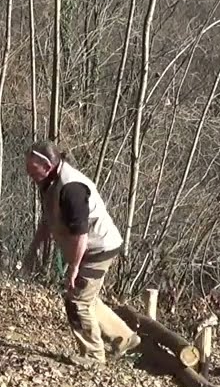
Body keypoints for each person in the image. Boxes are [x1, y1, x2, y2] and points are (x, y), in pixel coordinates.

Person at [21, 140, 140, 368]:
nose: (28, 172)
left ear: (47, 165)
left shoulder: (71, 188)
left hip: (98, 248)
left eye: (31, 167)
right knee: (86, 297)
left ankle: (93, 357)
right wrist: (34, 248)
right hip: (89, 246)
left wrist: (74, 268)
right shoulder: (48, 182)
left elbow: (81, 234)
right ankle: (124, 338)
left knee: (76, 300)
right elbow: (49, 219)